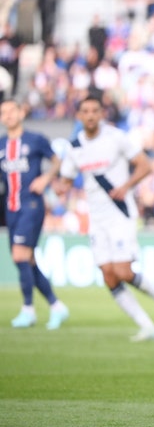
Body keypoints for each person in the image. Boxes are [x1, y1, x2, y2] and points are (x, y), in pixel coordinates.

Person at [57, 95, 154, 341]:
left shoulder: (116, 137)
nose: (90, 115)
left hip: (120, 212)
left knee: (123, 271)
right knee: (108, 274)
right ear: (79, 116)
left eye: (95, 110)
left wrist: (126, 186)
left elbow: (145, 165)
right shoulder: (75, 147)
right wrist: (62, 187)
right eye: (85, 111)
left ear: (102, 113)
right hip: (96, 218)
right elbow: (66, 179)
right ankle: (147, 326)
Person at [1, 99, 69, 329]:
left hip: (31, 205)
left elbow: (57, 160)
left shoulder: (35, 139)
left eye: (11, 110)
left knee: (20, 256)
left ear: (21, 112)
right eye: (3, 112)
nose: (7, 115)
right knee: (26, 260)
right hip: (10, 208)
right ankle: (56, 306)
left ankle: (28, 309)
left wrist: (46, 179)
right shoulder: (1, 145)